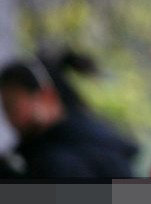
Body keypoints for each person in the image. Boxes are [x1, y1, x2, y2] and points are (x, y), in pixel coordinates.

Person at [0, 47, 138, 177]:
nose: (10, 118)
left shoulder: (65, 158)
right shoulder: (41, 152)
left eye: (12, 106)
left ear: (47, 97)